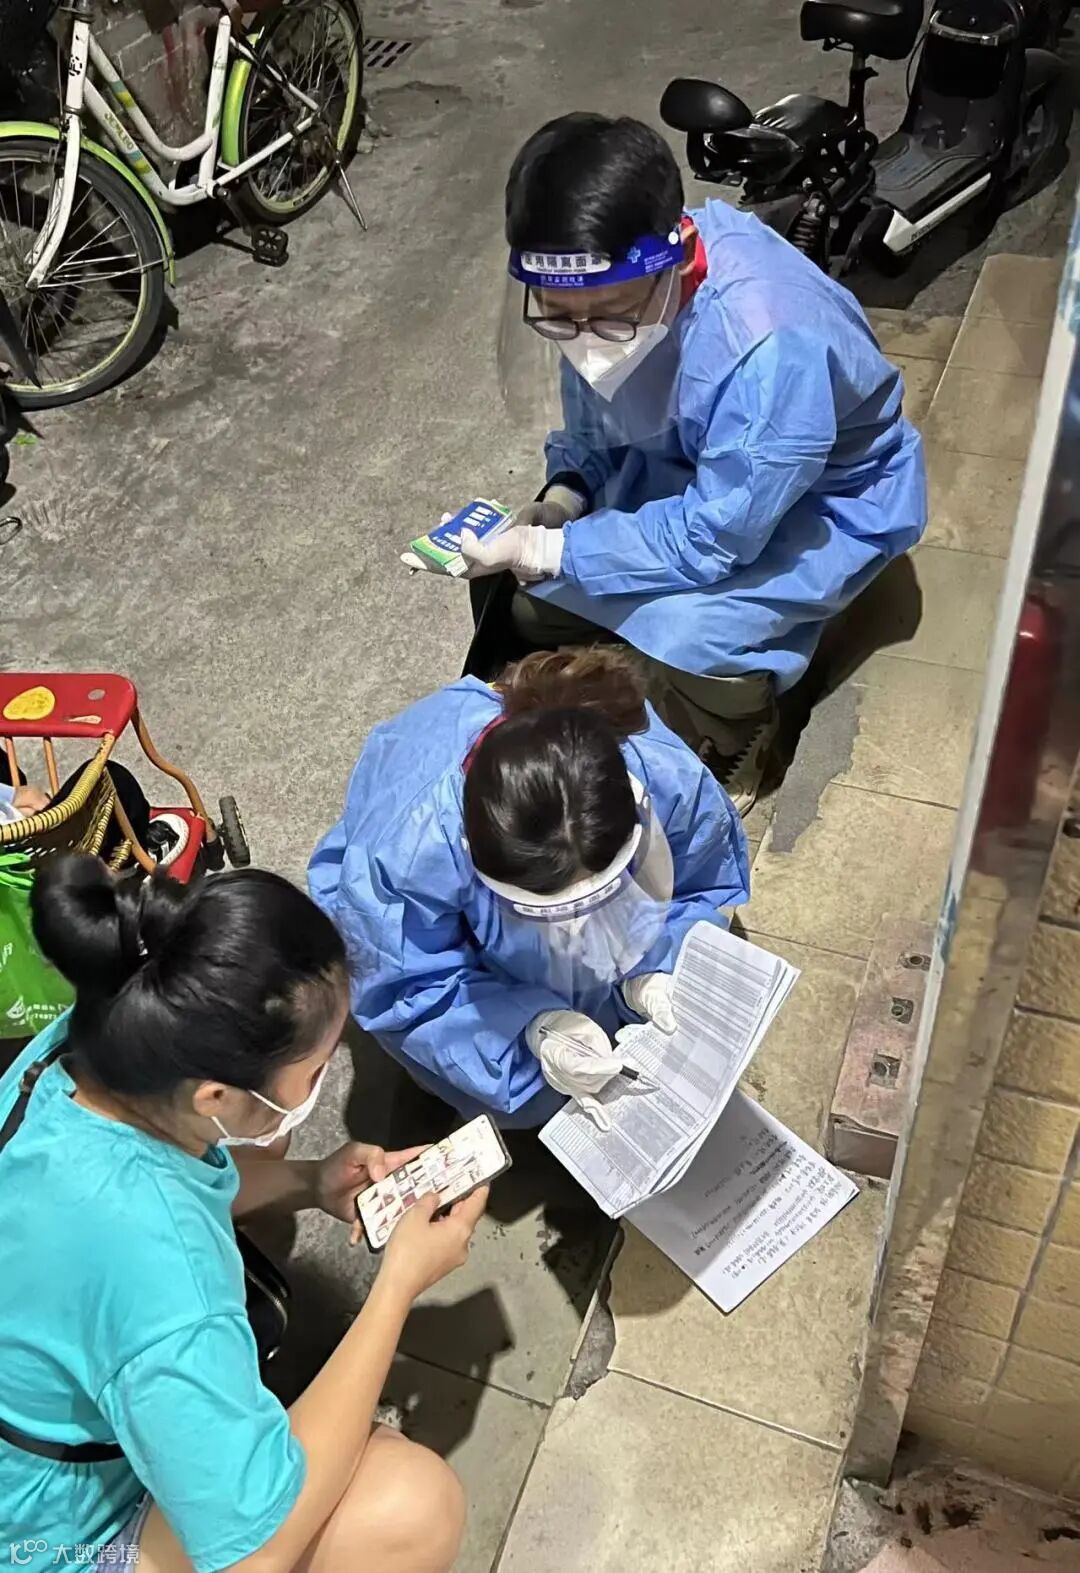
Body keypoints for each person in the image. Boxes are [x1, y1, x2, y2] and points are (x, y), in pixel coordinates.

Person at [0, 855, 484, 1573]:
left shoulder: (81, 1050)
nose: (321, 1084)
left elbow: (170, 1185)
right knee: (411, 1508)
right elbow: (253, 1554)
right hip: (47, 1541)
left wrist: (310, 1181)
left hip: (38, 1415)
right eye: (314, 1072)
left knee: (267, 1138)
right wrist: (398, 1285)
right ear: (214, 1096)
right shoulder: (166, 1280)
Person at [463, 113, 927, 811]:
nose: (584, 341)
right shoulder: (610, 286)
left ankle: (738, 731)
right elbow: (593, 420)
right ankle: (644, 663)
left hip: (811, 500)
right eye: (558, 316)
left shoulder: (770, 348)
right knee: (525, 600)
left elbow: (717, 535)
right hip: (692, 462)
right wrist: (564, 495)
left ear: (676, 260)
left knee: (690, 636)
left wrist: (554, 549)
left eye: (609, 316)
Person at [309, 647, 749, 1127]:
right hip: (443, 940)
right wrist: (534, 1029)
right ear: (472, 853)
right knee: (530, 1091)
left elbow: (705, 879)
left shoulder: (662, 770)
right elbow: (405, 983)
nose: (580, 930)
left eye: (603, 893)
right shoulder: (411, 849)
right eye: (552, 909)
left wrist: (659, 965)